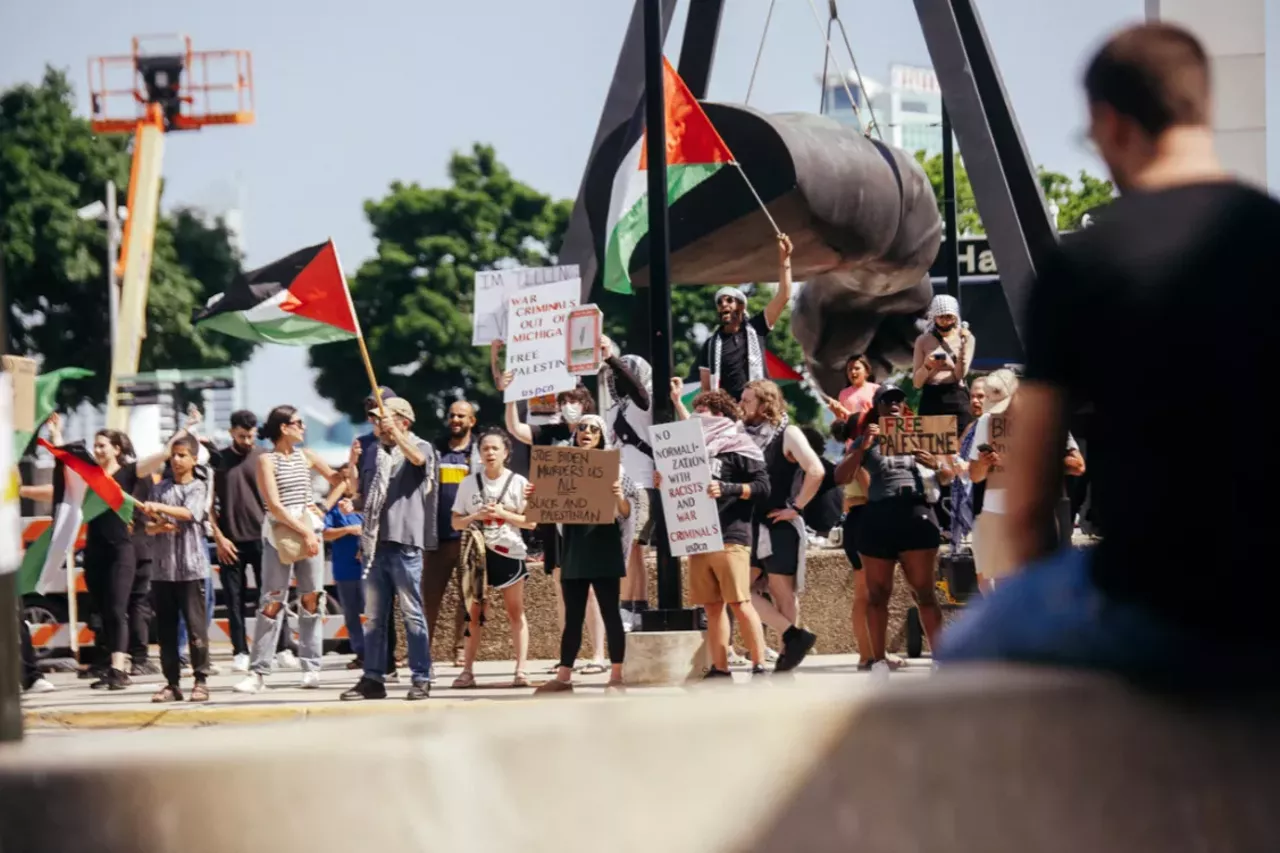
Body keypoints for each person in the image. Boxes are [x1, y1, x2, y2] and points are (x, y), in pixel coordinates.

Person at [941, 22, 1280, 682]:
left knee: (959, 652)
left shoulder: (1081, 269)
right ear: (1200, 108)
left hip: (1152, 605)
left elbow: (1031, 499)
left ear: (1111, 122)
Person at [835, 385, 950, 679]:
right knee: (877, 594)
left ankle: (941, 659)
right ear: (878, 406)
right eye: (888, 400)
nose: (895, 404)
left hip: (915, 511)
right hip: (879, 515)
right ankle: (878, 661)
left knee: (924, 592)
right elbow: (840, 477)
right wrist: (862, 447)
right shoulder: (866, 439)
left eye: (900, 399)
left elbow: (949, 476)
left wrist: (935, 464)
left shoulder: (921, 434)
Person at [233, 406, 341, 693]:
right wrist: (306, 531)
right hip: (281, 532)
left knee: (311, 599)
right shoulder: (266, 460)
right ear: (283, 427)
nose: (303, 427)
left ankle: (311, 667)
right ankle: (258, 672)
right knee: (271, 601)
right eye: (298, 423)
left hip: (308, 528)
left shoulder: (307, 456)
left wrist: (325, 506)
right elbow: (275, 505)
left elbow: (338, 481)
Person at [667, 384, 771, 679]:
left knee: (740, 602)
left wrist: (729, 488)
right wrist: (667, 479)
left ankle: (759, 663)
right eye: (696, 411)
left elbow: (764, 488)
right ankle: (720, 667)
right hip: (699, 537)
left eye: (704, 411)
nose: (699, 416)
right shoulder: (689, 451)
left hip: (731, 536)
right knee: (712, 608)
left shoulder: (740, 447)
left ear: (721, 415)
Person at [504, 379, 608, 672]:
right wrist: (511, 397)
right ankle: (568, 656)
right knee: (562, 587)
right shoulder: (550, 432)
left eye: (574, 401)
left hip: (587, 524)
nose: (569, 407)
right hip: (556, 522)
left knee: (589, 591)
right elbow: (516, 429)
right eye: (564, 401)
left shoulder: (596, 437)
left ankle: (599, 653)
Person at [342, 398, 437, 701]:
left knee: (412, 615)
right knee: (373, 618)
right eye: (376, 420)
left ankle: (421, 677)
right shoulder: (373, 451)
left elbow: (419, 462)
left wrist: (397, 435)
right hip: (374, 545)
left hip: (405, 543)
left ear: (404, 422)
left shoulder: (420, 446)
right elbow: (369, 495)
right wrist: (353, 504)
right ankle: (373, 677)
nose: (378, 426)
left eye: (384, 419)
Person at [533, 415, 634, 695]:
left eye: (593, 429)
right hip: (575, 548)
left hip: (604, 547)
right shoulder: (560, 467)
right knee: (573, 615)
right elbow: (547, 508)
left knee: (610, 613)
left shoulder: (617, 469)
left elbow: (626, 513)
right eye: (582, 428)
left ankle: (616, 676)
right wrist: (537, 495)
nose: (586, 432)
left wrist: (617, 495)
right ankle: (564, 677)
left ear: (601, 435)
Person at [965, 370, 1085, 589]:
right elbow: (975, 475)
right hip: (996, 513)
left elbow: (1077, 465)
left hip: (1038, 514)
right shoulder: (986, 422)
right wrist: (984, 462)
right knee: (1002, 589)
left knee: (1044, 585)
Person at [84, 428, 183, 690]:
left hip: (122, 550)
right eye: (95, 446)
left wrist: (184, 430)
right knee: (104, 610)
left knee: (118, 608)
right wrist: (56, 435)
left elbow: (162, 454)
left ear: (117, 449)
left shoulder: (129, 473)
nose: (97, 450)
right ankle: (114, 665)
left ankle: (118, 669)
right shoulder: (90, 478)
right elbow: (61, 482)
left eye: (102, 445)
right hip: (94, 552)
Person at [208, 409, 298, 675]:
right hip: (230, 541)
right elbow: (208, 504)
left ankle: (282, 648)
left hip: (265, 537)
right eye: (241, 436)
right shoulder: (218, 461)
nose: (247, 441)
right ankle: (239, 651)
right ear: (231, 432)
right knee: (234, 600)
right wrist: (219, 536)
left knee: (272, 595)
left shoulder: (264, 457)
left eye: (250, 436)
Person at [740, 380, 821, 672]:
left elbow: (816, 470)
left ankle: (789, 656)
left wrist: (796, 507)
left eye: (747, 400)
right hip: (750, 524)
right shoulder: (741, 434)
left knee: (782, 592)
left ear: (765, 405)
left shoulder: (788, 432)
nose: (742, 405)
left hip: (777, 523)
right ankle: (794, 636)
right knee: (739, 590)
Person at [451, 428, 536, 688]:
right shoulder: (468, 483)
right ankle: (467, 670)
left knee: (515, 611)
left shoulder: (519, 483)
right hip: (477, 554)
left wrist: (503, 513)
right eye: (485, 448)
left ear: (506, 453)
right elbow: (455, 522)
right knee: (474, 613)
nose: (489, 453)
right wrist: (475, 516)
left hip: (509, 552)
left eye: (495, 448)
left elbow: (531, 522)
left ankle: (521, 669)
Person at [143, 435, 212, 703]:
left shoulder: (198, 487)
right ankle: (172, 683)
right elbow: (147, 527)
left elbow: (189, 513)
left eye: (183, 455)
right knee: (166, 631)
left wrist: (160, 508)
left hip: (191, 569)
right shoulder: (159, 488)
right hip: (163, 571)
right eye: (174, 455)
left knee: (196, 629)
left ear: (195, 459)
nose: (177, 460)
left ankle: (201, 680)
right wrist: (158, 526)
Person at [599, 342, 656, 632]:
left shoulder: (646, 401)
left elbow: (637, 389)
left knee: (635, 546)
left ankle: (634, 606)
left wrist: (612, 358)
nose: (617, 381)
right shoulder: (612, 409)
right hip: (619, 485)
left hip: (644, 481)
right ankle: (632, 607)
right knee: (626, 548)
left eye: (622, 375)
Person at [697, 234, 793, 401]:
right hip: (732, 415)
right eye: (720, 302)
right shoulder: (711, 345)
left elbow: (784, 295)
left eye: (729, 300)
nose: (723, 305)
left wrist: (785, 259)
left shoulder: (756, 327)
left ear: (741, 306)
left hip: (761, 406)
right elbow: (706, 390)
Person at [423, 400, 481, 665]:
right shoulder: (435, 450)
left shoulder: (479, 452)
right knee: (429, 598)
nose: (456, 420)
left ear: (472, 421)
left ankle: (460, 649)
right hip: (439, 538)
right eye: (453, 415)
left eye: (462, 416)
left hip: (470, 537)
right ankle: (421, 648)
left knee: (468, 598)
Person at [912, 294, 977, 433]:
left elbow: (960, 374)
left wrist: (963, 348)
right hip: (931, 397)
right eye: (941, 317)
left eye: (949, 317)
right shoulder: (922, 341)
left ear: (955, 317)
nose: (945, 321)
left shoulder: (967, 338)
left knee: (960, 443)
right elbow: (917, 383)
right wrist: (928, 366)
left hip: (956, 396)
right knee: (930, 446)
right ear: (934, 317)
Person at [322, 474, 365, 669]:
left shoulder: (366, 503)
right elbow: (325, 533)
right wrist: (348, 530)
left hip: (369, 567)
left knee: (373, 613)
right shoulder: (335, 507)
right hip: (345, 569)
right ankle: (361, 653)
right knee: (351, 613)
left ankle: (379, 653)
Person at [948, 376, 987, 549]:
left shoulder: (999, 426)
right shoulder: (971, 428)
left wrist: (969, 467)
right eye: (972, 397)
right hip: (974, 501)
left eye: (980, 396)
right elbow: (955, 453)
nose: (975, 401)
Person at [829, 355, 880, 438]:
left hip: (873, 438)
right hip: (853, 442)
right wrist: (837, 412)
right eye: (850, 369)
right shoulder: (843, 394)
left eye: (857, 368)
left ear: (866, 372)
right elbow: (843, 423)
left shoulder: (876, 389)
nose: (853, 372)